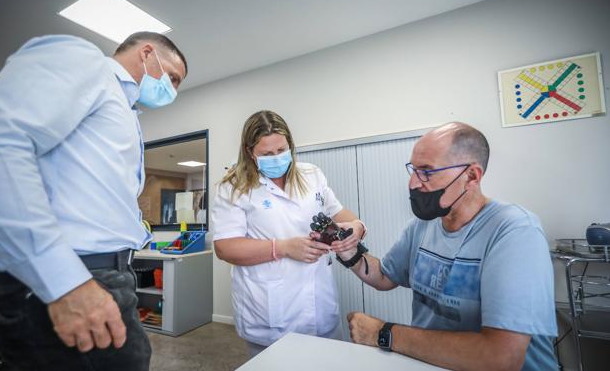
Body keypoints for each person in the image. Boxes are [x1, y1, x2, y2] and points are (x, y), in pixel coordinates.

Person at [0, 32, 187, 371]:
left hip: (104, 272)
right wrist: (64, 282)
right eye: (172, 77)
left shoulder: (123, 110)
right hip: (72, 274)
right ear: (148, 53)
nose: (172, 90)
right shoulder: (85, 62)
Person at [333, 122, 557, 371]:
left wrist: (382, 333)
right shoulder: (422, 226)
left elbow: (500, 358)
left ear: (471, 176)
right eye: (414, 170)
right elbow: (385, 276)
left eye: (427, 172)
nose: (413, 184)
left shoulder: (514, 232)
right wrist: (349, 252)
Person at [212, 110, 366, 357]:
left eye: (282, 150)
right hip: (271, 315)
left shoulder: (311, 174)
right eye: (267, 154)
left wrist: (357, 226)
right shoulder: (233, 187)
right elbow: (225, 247)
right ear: (250, 152)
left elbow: (340, 214)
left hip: (320, 305)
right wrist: (282, 248)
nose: (277, 158)